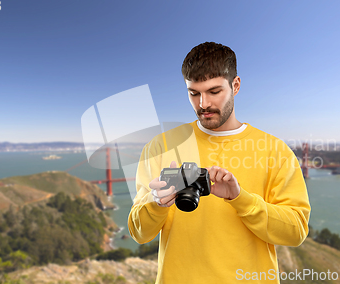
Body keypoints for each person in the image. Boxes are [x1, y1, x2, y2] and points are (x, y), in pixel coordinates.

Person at [128, 42, 311, 283]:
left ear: (235, 85)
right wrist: (156, 203)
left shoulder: (275, 150)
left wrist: (240, 199)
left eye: (214, 92)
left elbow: (296, 232)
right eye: (194, 93)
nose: (203, 104)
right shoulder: (160, 146)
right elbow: (139, 233)